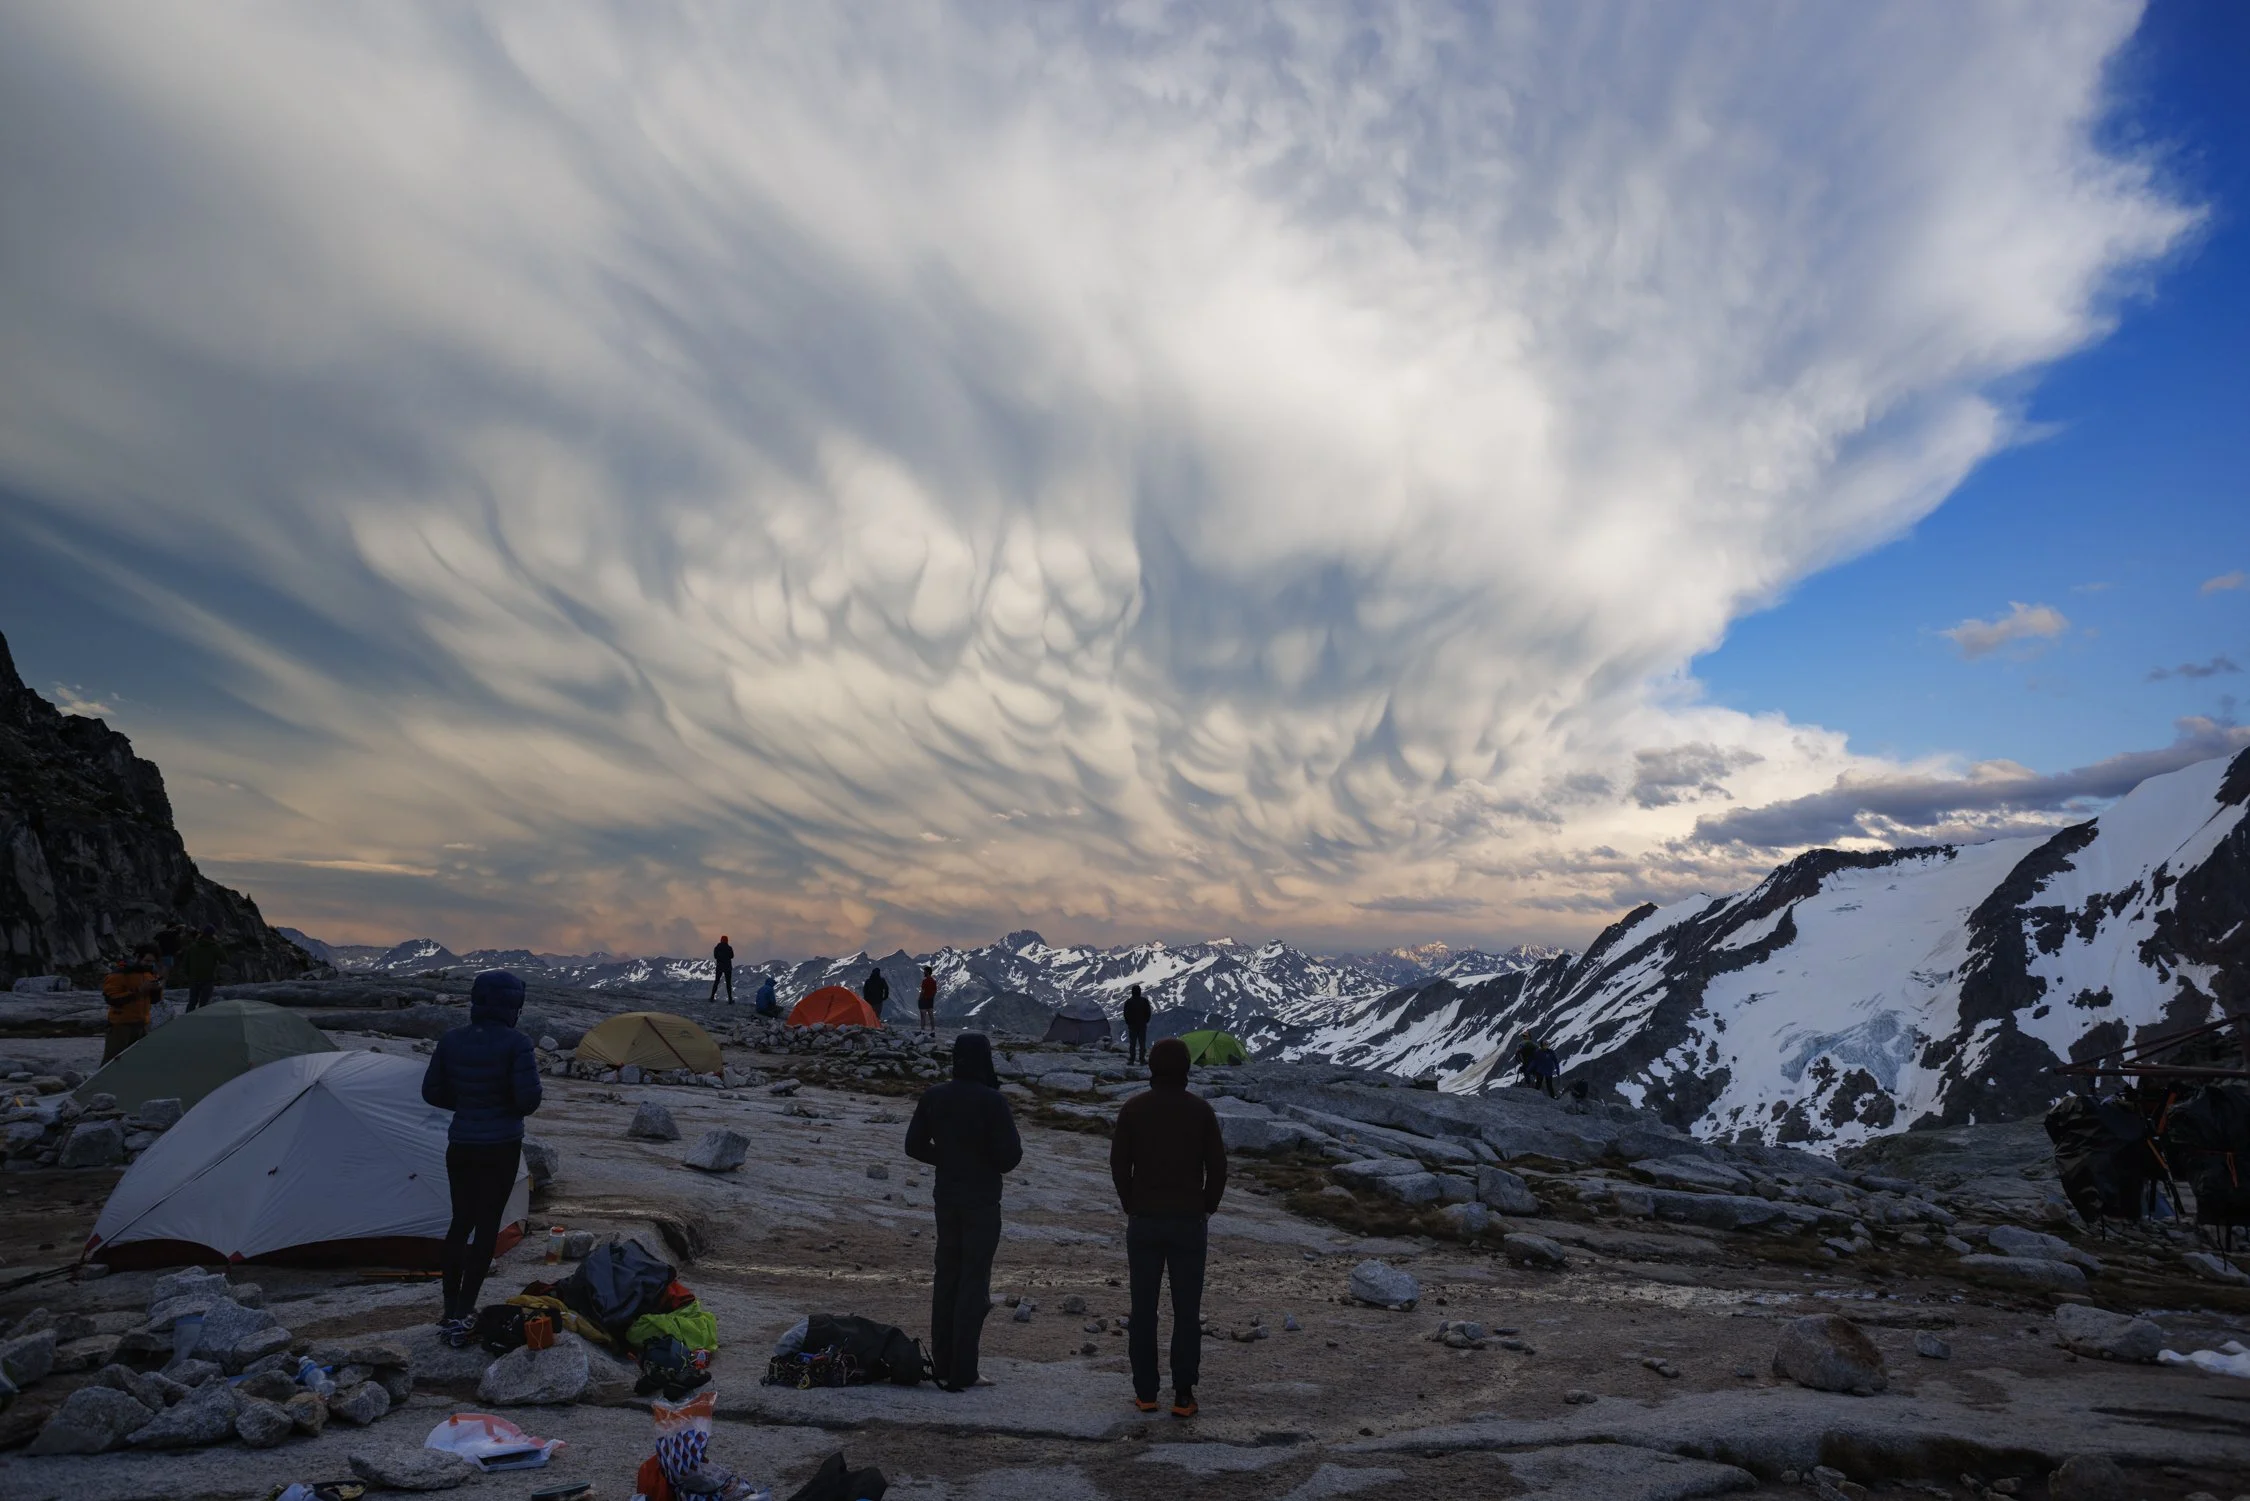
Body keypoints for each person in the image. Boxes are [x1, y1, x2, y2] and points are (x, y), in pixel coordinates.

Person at [421, 969, 543, 1347]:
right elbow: (529, 1101)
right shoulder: (517, 1043)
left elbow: (432, 1092)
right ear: (511, 1004)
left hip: (461, 1143)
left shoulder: (452, 1040)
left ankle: (448, 1307)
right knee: (487, 1225)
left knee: (460, 1222)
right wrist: (499, 1106)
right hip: (501, 1145)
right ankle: (464, 1309)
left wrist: (468, 1105)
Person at [1110, 1036, 1227, 1419]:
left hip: (1144, 1222)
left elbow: (1118, 1164)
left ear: (1151, 1068)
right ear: (1186, 1071)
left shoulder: (1133, 1109)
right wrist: (1207, 1207)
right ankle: (1183, 1394)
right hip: (1188, 1223)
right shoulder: (1201, 1111)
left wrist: (1131, 1204)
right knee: (1186, 1311)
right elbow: (1218, 1167)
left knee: (1142, 1310)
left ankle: (1145, 1392)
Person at [904, 1033, 1022, 1392]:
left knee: (947, 1277)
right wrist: (980, 1160)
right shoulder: (993, 1101)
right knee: (974, 1282)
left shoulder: (934, 1096)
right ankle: (965, 1371)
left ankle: (942, 1364)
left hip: (947, 1199)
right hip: (982, 1202)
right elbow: (1010, 1157)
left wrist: (948, 1158)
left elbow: (913, 1146)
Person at [99, 949, 161, 1063]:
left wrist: (157, 989)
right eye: (147, 961)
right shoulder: (120, 974)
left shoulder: (149, 974)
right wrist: (140, 990)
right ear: (137, 957)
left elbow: (154, 1000)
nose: (149, 964)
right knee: (112, 1062)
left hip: (142, 1025)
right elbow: (112, 999)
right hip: (121, 1026)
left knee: (137, 1061)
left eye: (152, 962)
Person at [177, 924, 227, 1012]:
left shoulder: (193, 946)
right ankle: (201, 1022)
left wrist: (189, 975)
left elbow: (186, 963)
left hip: (194, 979)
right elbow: (224, 960)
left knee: (192, 1002)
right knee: (204, 1004)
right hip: (208, 979)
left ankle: (186, 1022)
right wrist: (217, 943)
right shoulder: (214, 947)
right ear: (212, 935)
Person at [1122, 983, 1151, 1066]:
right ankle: (1142, 1060)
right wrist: (1145, 1021)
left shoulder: (1128, 1002)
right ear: (1140, 992)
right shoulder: (1144, 1001)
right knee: (1142, 1043)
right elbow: (1148, 1013)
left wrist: (1129, 1023)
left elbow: (1125, 1014)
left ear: (1132, 992)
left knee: (1132, 1043)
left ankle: (1132, 1060)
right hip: (1142, 1025)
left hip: (1132, 1026)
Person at [709, 935, 734, 1004]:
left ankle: (712, 997)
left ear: (721, 940)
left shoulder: (717, 947)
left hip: (719, 966)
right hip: (727, 967)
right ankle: (730, 999)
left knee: (716, 982)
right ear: (727, 940)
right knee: (728, 983)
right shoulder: (729, 948)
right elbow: (732, 956)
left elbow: (715, 956)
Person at [918, 965, 939, 1037]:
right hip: (930, 1000)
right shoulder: (933, 981)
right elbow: (935, 991)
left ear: (927, 972)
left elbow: (923, 991)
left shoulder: (924, 981)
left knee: (923, 1016)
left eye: (924, 971)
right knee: (931, 1016)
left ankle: (922, 1031)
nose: (923, 972)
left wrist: (920, 999)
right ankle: (933, 1031)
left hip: (924, 1000)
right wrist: (931, 997)